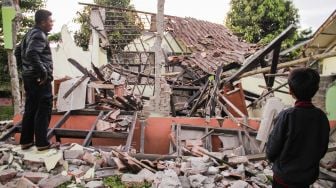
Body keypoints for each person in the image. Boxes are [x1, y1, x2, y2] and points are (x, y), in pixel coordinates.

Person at [266, 68, 330, 187]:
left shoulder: (287, 116)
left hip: (283, 180)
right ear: (316, 90)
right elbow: (322, 150)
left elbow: (271, 151)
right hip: (305, 180)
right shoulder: (321, 117)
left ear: (290, 90)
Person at [15, 9, 56, 151]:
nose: (52, 24)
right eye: (50, 21)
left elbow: (17, 51)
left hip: (29, 78)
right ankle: (42, 143)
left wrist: (24, 70)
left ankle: (25, 141)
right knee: (44, 108)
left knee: (30, 108)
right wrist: (43, 72)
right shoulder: (39, 34)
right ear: (43, 22)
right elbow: (32, 52)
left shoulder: (29, 33)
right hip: (40, 79)